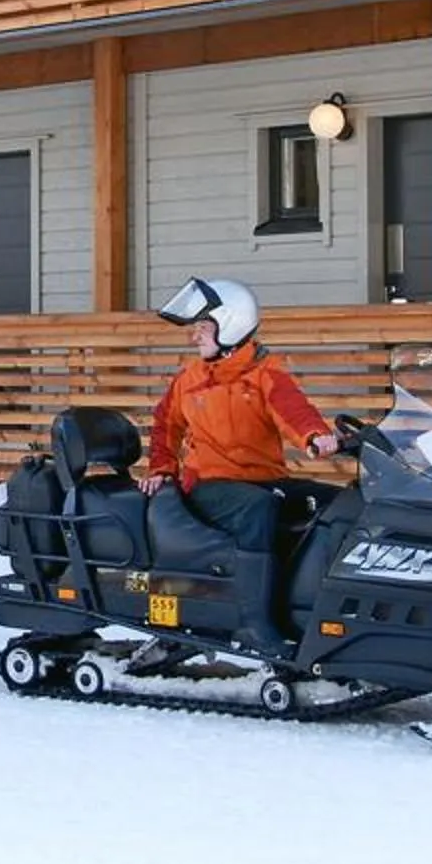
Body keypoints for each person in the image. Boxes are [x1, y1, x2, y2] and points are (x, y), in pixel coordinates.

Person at [142, 277, 337, 658]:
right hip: (209, 484)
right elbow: (166, 425)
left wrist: (315, 435)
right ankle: (254, 623)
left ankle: (320, 611)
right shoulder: (189, 378)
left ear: (230, 325)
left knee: (333, 501)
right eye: (195, 328)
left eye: (202, 328)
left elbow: (293, 409)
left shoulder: (265, 373)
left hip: (263, 478)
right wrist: (161, 469)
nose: (194, 337)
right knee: (257, 509)